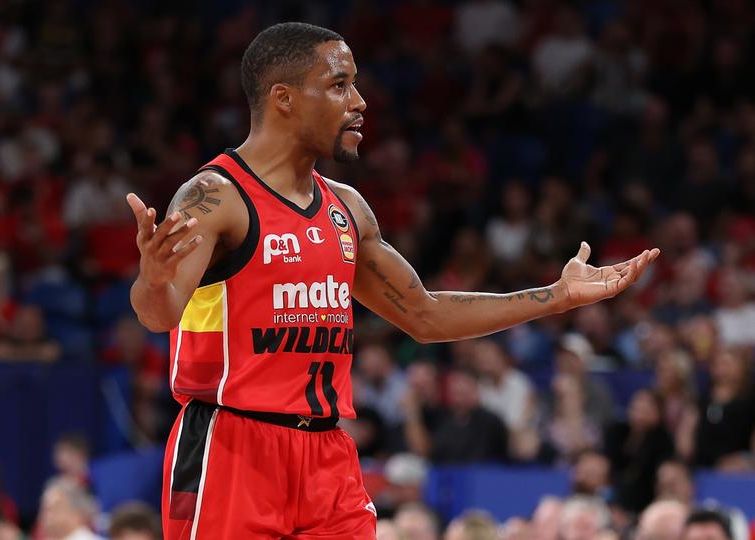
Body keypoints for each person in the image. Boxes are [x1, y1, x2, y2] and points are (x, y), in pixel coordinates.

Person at [126, 21, 659, 540]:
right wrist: (152, 278)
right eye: (339, 85)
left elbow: (424, 315)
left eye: (354, 84)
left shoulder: (347, 209)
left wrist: (557, 297)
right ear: (282, 98)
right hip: (233, 443)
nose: (359, 101)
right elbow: (160, 312)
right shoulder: (215, 197)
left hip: (328, 454)